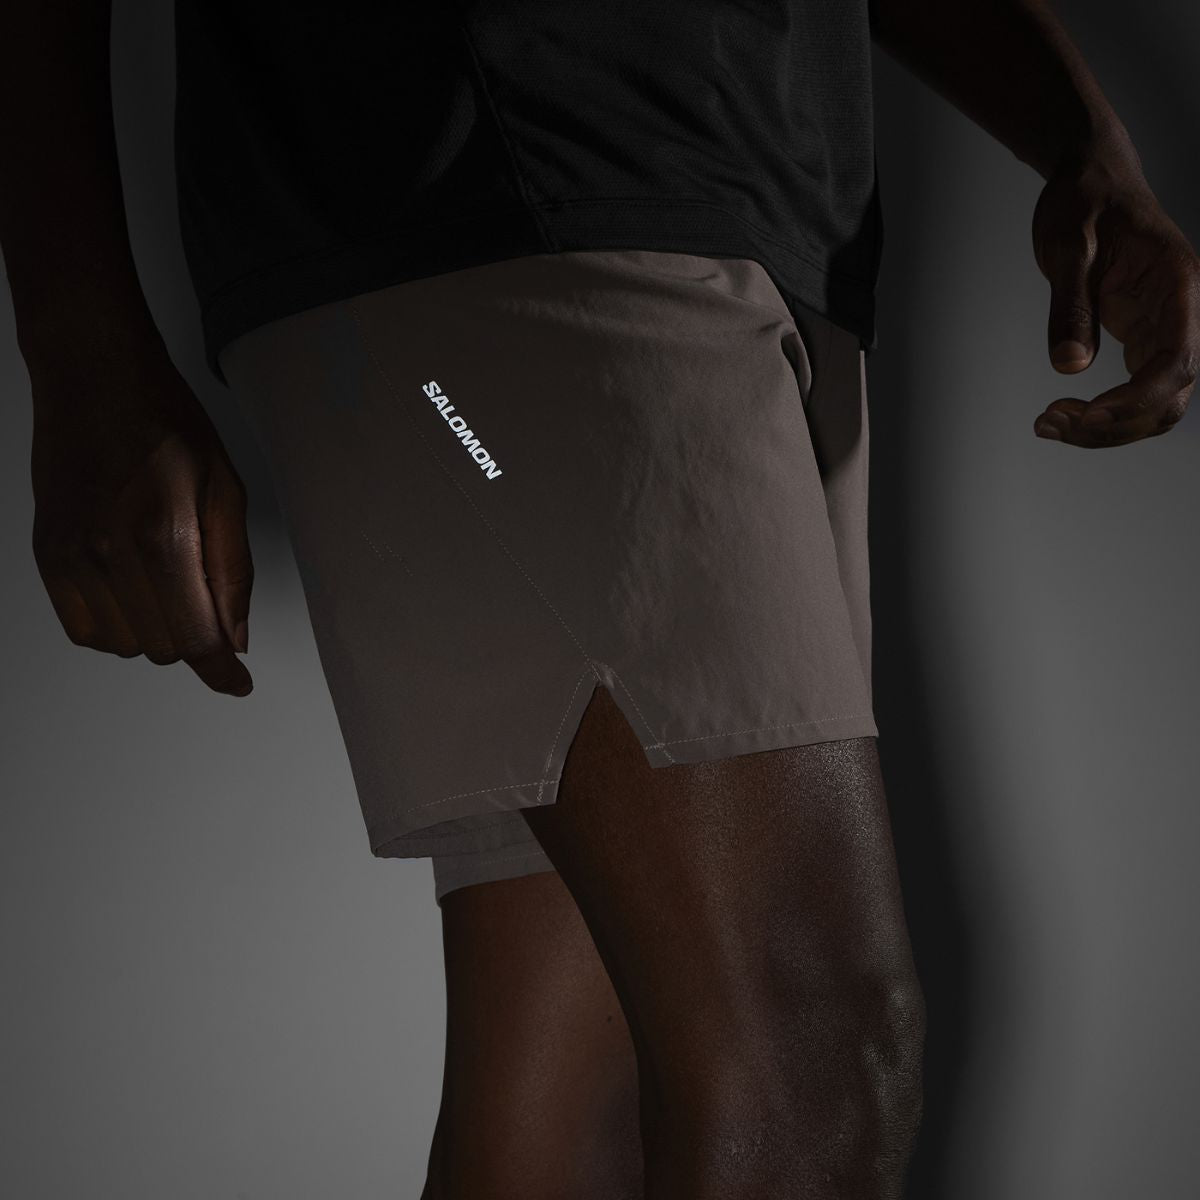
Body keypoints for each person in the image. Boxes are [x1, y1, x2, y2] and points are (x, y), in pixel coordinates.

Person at [3, 2, 1196, 1196]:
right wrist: (77, 340)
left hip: (759, 215)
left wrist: (1079, 136)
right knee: (808, 1048)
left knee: (587, 1107)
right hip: (489, 197)